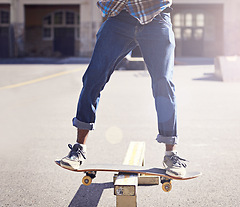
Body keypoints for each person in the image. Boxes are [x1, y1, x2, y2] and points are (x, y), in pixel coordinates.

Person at [60, 0, 188, 177]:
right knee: (93, 78)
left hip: (156, 17)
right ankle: (79, 148)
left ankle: (171, 154)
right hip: (119, 20)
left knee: (163, 83)